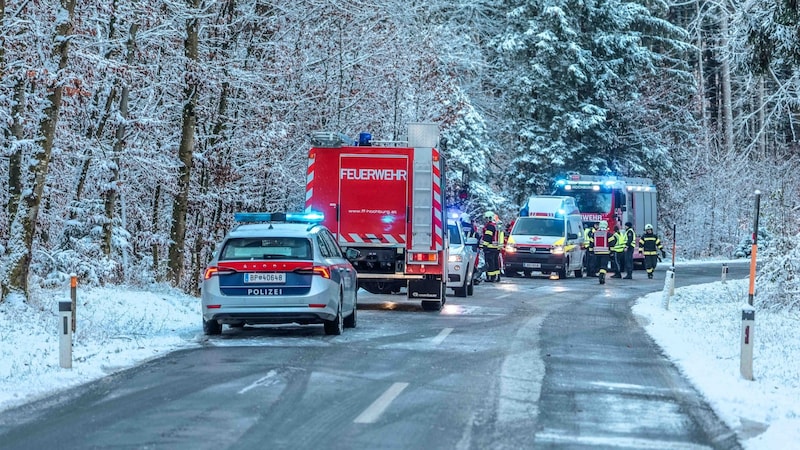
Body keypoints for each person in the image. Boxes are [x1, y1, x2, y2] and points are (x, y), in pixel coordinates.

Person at [480, 211, 503, 282]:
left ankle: (491, 277)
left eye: (487, 218)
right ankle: (497, 276)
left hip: (490, 247)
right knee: (495, 262)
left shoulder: (490, 226)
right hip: (496, 247)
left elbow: (488, 237)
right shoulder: (496, 225)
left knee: (490, 263)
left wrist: (484, 245)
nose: (486, 220)